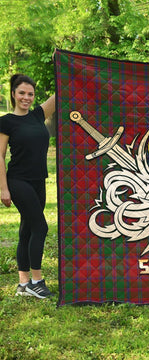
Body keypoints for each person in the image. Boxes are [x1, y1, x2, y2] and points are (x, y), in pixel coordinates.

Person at [0, 74, 55, 298]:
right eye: (21, 93)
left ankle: (23, 284)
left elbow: (61, 92)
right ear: (13, 94)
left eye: (30, 94)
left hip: (38, 180)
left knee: (27, 230)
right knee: (41, 227)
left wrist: (74, 70)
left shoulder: (38, 115)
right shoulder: (6, 121)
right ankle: (37, 281)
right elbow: (0, 155)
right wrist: (3, 189)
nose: (26, 97)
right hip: (17, 180)